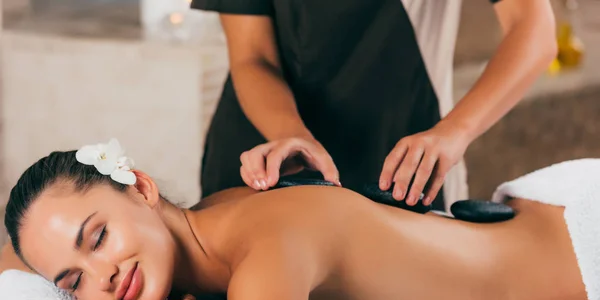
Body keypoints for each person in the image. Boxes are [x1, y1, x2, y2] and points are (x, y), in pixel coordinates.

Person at [1, 144, 595, 300]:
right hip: (544, 215)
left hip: (582, 250)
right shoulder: (211, 222)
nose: (101, 275)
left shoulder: (265, 248)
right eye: (72, 281)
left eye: (97, 237)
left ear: (143, 188)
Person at [192, 0, 557, 211]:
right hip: (267, 162)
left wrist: (454, 132)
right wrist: (291, 137)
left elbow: (534, 30)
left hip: (401, 170)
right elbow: (252, 57)